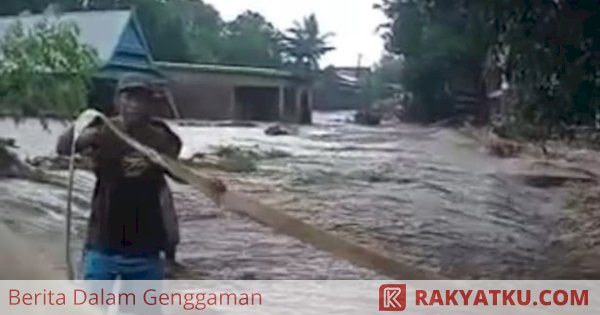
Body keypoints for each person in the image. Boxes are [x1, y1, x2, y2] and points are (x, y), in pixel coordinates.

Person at [56, 73, 221, 280]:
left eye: (142, 99)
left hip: (146, 248)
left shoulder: (162, 137)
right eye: (129, 97)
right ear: (118, 101)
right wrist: (82, 136)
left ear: (151, 105)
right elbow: (63, 148)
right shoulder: (101, 128)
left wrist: (205, 183)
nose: (135, 104)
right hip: (102, 244)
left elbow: (176, 171)